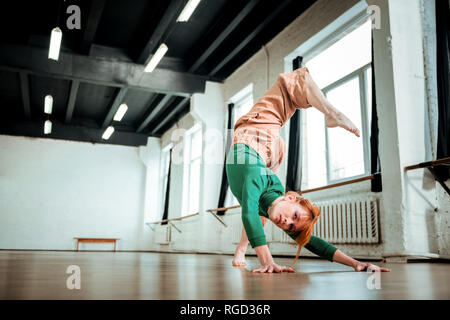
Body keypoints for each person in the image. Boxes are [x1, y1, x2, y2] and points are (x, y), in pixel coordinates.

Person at [225, 67, 390, 274]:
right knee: (290, 86)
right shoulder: (256, 178)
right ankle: (332, 113)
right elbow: (248, 214)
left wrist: (355, 263)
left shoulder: (273, 201)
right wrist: (267, 261)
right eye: (294, 216)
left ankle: (241, 248)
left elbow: (311, 242)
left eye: (291, 227)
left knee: (262, 215)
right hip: (255, 136)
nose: (287, 223)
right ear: (291, 198)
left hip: (270, 155)